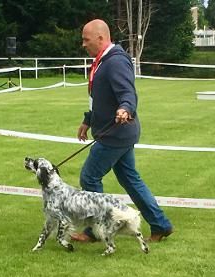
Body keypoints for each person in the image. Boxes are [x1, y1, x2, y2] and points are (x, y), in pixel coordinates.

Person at [71, 19, 173, 243]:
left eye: (86, 40)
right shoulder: (102, 62)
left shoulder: (115, 62)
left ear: (101, 38)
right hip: (118, 133)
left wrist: (125, 108)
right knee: (130, 179)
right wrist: (88, 120)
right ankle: (160, 224)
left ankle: (95, 230)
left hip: (115, 133)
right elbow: (97, 99)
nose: (83, 45)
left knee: (89, 177)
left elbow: (127, 92)